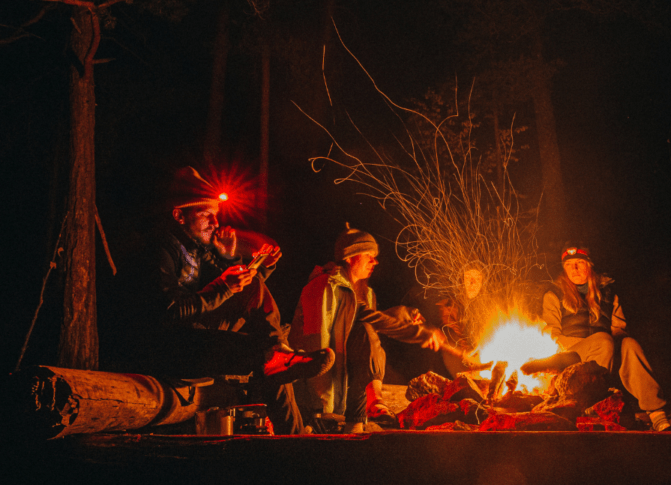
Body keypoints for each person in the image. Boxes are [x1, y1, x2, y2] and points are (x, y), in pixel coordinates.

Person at [122, 167, 334, 435]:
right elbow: (169, 310)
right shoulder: (159, 248)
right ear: (179, 215)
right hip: (162, 348)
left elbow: (242, 292)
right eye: (206, 214)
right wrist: (224, 285)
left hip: (192, 335)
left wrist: (235, 260)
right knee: (265, 358)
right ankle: (289, 426)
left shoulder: (197, 249)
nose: (215, 223)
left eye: (216, 216)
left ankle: (279, 365)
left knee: (259, 308)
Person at [290, 223, 446, 433]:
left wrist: (402, 315)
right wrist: (322, 405)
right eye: (368, 255)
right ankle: (373, 404)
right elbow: (316, 341)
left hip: (349, 391)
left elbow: (364, 328)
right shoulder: (324, 286)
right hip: (316, 395)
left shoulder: (366, 293)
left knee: (366, 333)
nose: (375, 261)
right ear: (348, 256)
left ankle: (364, 411)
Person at [540, 244, 671, 431]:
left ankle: (657, 414)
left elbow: (619, 328)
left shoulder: (608, 293)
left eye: (580, 263)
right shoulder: (554, 293)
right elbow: (551, 334)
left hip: (605, 353)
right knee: (603, 340)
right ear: (564, 268)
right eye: (569, 264)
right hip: (571, 356)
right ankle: (593, 406)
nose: (575, 268)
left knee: (629, 344)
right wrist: (594, 343)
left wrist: (613, 342)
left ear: (589, 265)